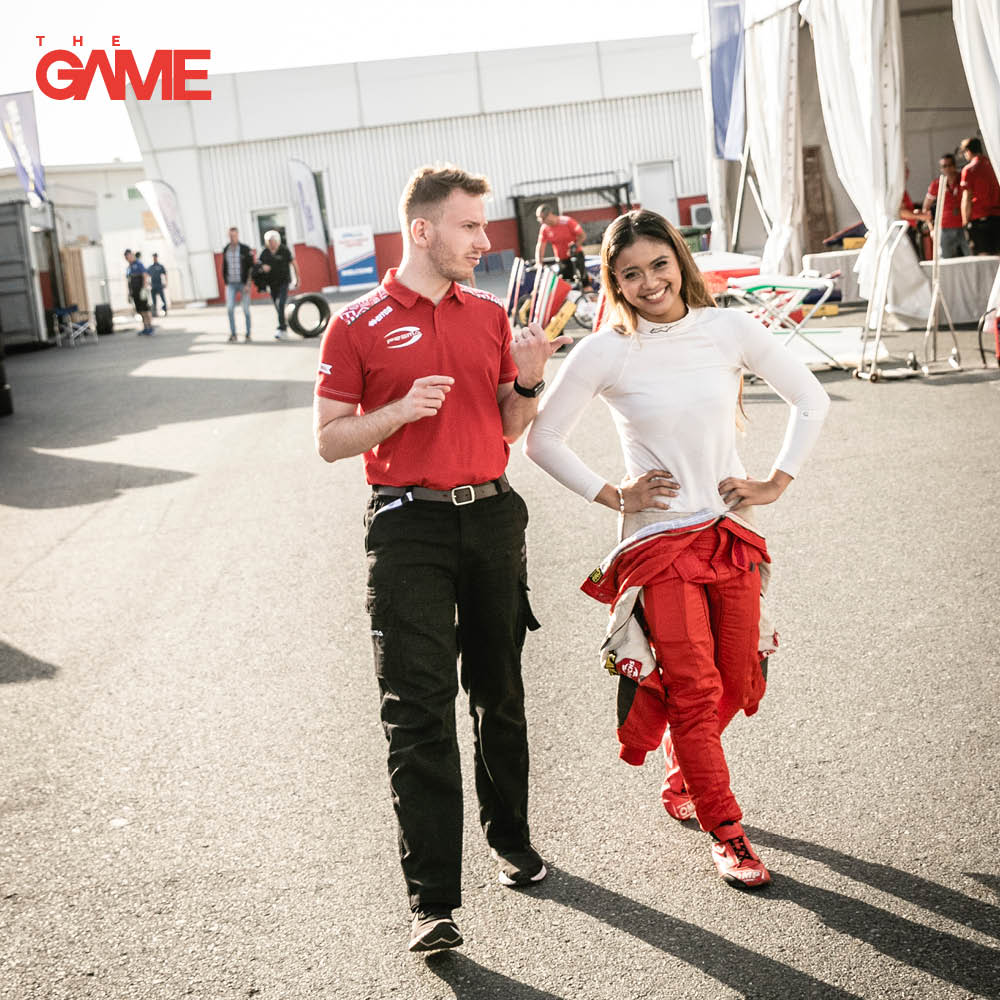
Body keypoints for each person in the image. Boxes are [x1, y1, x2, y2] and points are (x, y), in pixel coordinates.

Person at [525, 210, 829, 890]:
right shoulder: (606, 349)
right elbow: (542, 439)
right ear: (615, 281)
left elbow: (810, 399)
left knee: (737, 678)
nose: (649, 282)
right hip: (658, 542)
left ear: (679, 262)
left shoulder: (727, 329)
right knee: (693, 688)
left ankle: (684, 770)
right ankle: (728, 833)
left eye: (659, 264)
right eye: (630, 273)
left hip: (729, 529)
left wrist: (776, 481)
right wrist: (613, 493)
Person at [313, 165, 568, 953]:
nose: (484, 241)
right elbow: (328, 440)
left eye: (483, 226)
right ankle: (433, 902)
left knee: (500, 692)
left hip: (491, 516)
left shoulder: (492, 316)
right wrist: (394, 413)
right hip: (406, 529)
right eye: (469, 226)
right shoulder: (353, 324)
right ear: (422, 230)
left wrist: (528, 376)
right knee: (417, 712)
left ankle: (512, 842)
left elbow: (512, 427)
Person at [923, 154, 970, 258]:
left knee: (971, 256)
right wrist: (932, 229)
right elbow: (926, 208)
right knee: (944, 260)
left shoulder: (963, 179)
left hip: (964, 226)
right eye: (944, 166)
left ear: (954, 166)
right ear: (941, 169)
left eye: (950, 165)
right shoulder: (936, 184)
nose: (948, 169)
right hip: (944, 228)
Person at [959, 137, 1000, 255]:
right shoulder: (994, 165)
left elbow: (966, 198)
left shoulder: (969, 169)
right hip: (997, 217)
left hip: (979, 220)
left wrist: (965, 221)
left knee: (983, 258)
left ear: (968, 151)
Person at [535, 204, 592, 288]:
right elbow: (540, 246)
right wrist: (539, 262)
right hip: (562, 261)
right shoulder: (544, 228)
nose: (541, 221)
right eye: (539, 219)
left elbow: (582, 235)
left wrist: (574, 246)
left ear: (550, 215)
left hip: (575, 257)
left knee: (584, 283)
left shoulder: (567, 222)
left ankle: (591, 299)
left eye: (543, 218)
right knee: (565, 285)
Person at [258, 230, 298, 339]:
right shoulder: (264, 253)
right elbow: (257, 267)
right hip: (271, 284)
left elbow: (294, 264)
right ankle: (284, 325)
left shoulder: (284, 250)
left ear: (277, 241)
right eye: (269, 241)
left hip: (284, 282)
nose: (271, 243)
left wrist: (297, 279)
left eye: (273, 241)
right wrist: (262, 268)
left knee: (281, 304)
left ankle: (281, 328)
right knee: (277, 306)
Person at [222, 227, 254, 342]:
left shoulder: (245, 249)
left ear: (238, 235)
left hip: (243, 283)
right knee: (230, 308)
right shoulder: (226, 249)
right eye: (230, 236)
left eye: (234, 236)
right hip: (231, 284)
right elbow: (224, 267)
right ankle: (233, 334)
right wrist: (225, 281)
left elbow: (251, 267)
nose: (232, 238)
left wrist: (248, 283)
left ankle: (248, 333)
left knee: (245, 309)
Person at [123, 249, 153, 335]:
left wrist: (144, 288)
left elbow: (145, 275)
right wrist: (129, 293)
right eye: (126, 257)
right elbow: (129, 280)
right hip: (134, 292)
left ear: (131, 255)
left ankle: (149, 327)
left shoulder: (138, 264)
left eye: (128, 256)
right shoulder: (129, 267)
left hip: (141, 291)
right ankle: (145, 327)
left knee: (145, 309)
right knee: (140, 310)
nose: (127, 259)